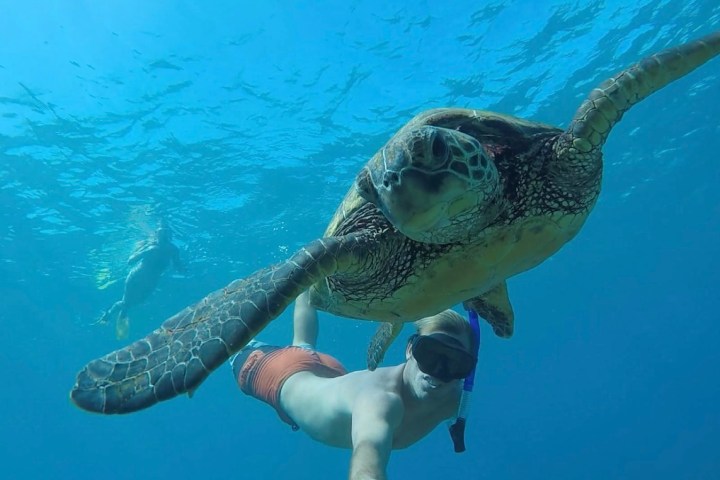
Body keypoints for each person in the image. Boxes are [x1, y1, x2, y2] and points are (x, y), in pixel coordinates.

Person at [230, 292, 478, 480]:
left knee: (303, 346)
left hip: (330, 374)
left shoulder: (456, 398)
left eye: (455, 363)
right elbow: (367, 461)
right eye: (431, 355)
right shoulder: (381, 401)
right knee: (229, 343)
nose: (438, 373)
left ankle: (308, 288)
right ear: (410, 349)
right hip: (274, 372)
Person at [98, 220, 185, 339]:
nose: (163, 236)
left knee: (135, 302)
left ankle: (119, 313)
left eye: (164, 233)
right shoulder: (157, 248)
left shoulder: (171, 250)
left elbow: (178, 266)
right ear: (157, 235)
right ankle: (109, 315)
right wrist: (143, 249)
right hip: (137, 278)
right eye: (161, 233)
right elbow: (130, 261)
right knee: (127, 302)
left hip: (147, 280)